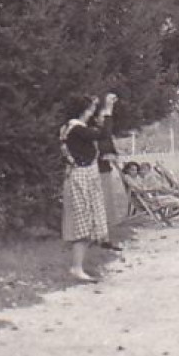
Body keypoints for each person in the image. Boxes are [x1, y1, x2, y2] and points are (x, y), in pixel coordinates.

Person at [59, 93, 112, 282]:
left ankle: (78, 266)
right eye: (91, 107)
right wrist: (107, 112)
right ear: (84, 109)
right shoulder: (76, 128)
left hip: (84, 175)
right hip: (81, 177)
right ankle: (76, 267)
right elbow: (103, 135)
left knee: (87, 222)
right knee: (82, 223)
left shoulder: (72, 128)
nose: (92, 111)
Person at [92, 91, 126, 251]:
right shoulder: (94, 135)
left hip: (105, 171)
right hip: (96, 172)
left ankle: (105, 236)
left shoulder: (104, 136)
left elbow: (111, 151)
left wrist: (112, 156)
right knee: (100, 204)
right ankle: (98, 237)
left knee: (107, 204)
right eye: (101, 118)